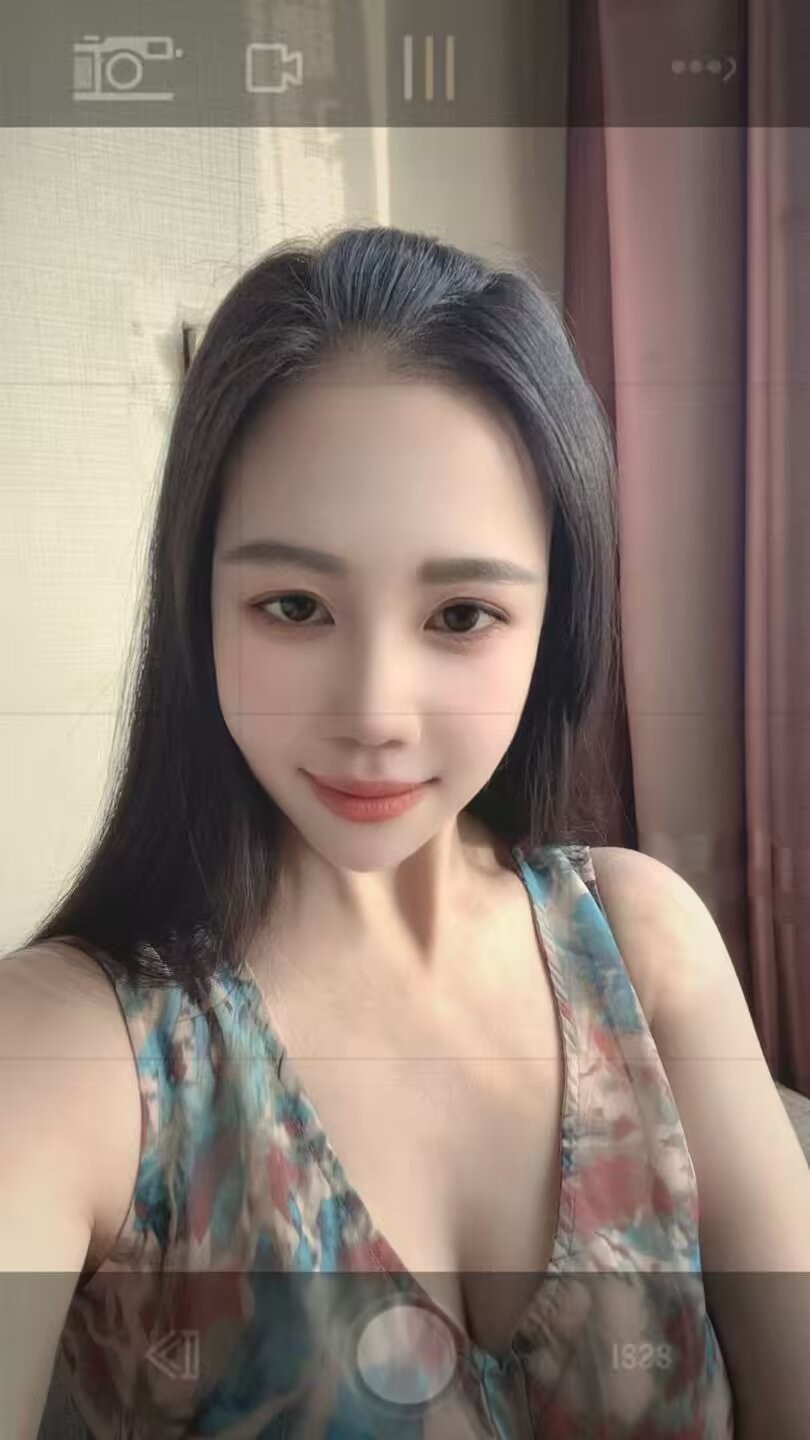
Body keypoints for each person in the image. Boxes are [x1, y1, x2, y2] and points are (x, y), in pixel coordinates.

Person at [0, 225, 735, 1437]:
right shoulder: (72, 1052)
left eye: (462, 614)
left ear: (555, 620)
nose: (373, 716)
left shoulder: (643, 944)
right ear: (200, 607)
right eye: (294, 606)